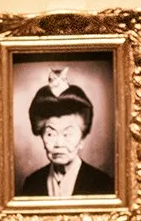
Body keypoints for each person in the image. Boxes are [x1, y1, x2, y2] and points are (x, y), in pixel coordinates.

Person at [17, 71, 116, 200]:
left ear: (83, 139)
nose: (59, 143)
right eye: (50, 134)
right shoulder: (32, 183)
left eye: (68, 134)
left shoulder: (103, 183)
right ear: (41, 136)